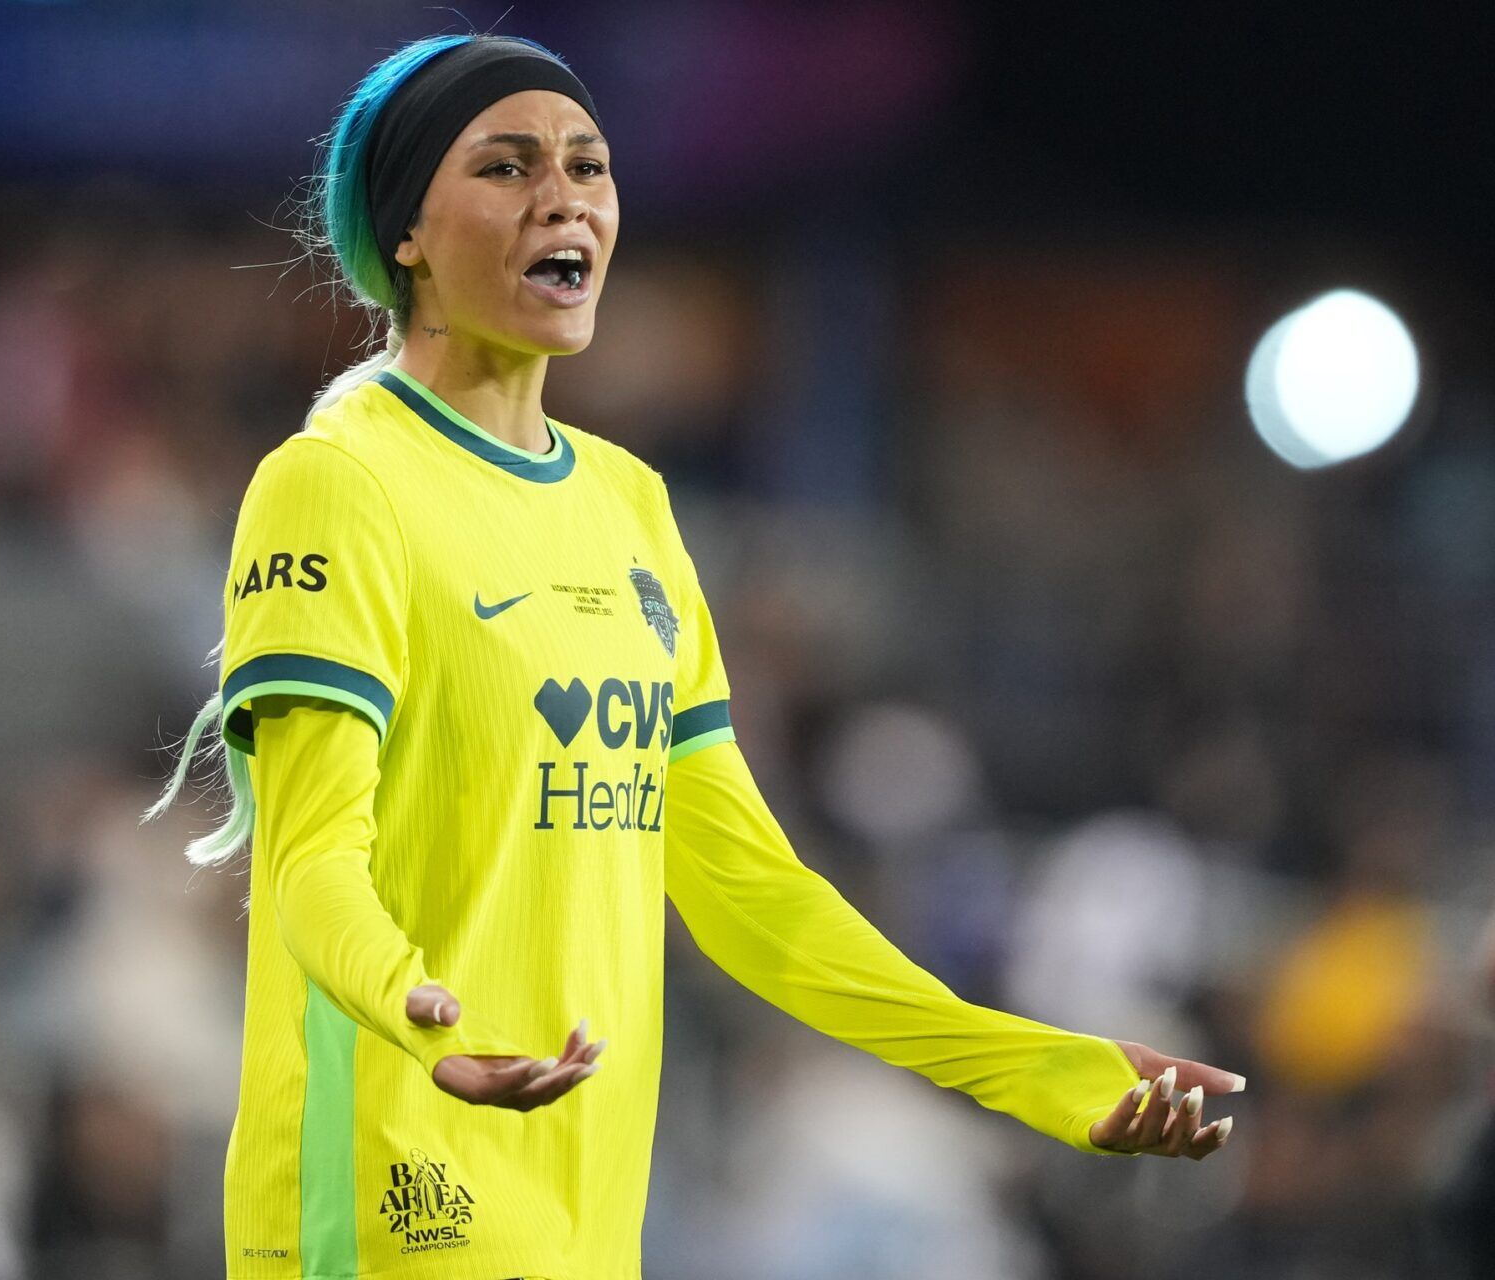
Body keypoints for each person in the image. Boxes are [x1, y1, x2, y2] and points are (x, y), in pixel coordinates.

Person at [144, 32, 1246, 1280]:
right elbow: (307, 861)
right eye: (506, 167)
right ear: (405, 229)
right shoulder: (336, 484)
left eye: (588, 165)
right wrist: (416, 1017)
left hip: (588, 1202)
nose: (563, 195)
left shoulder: (631, 508)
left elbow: (753, 895)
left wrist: (1044, 1071)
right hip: (385, 1183)